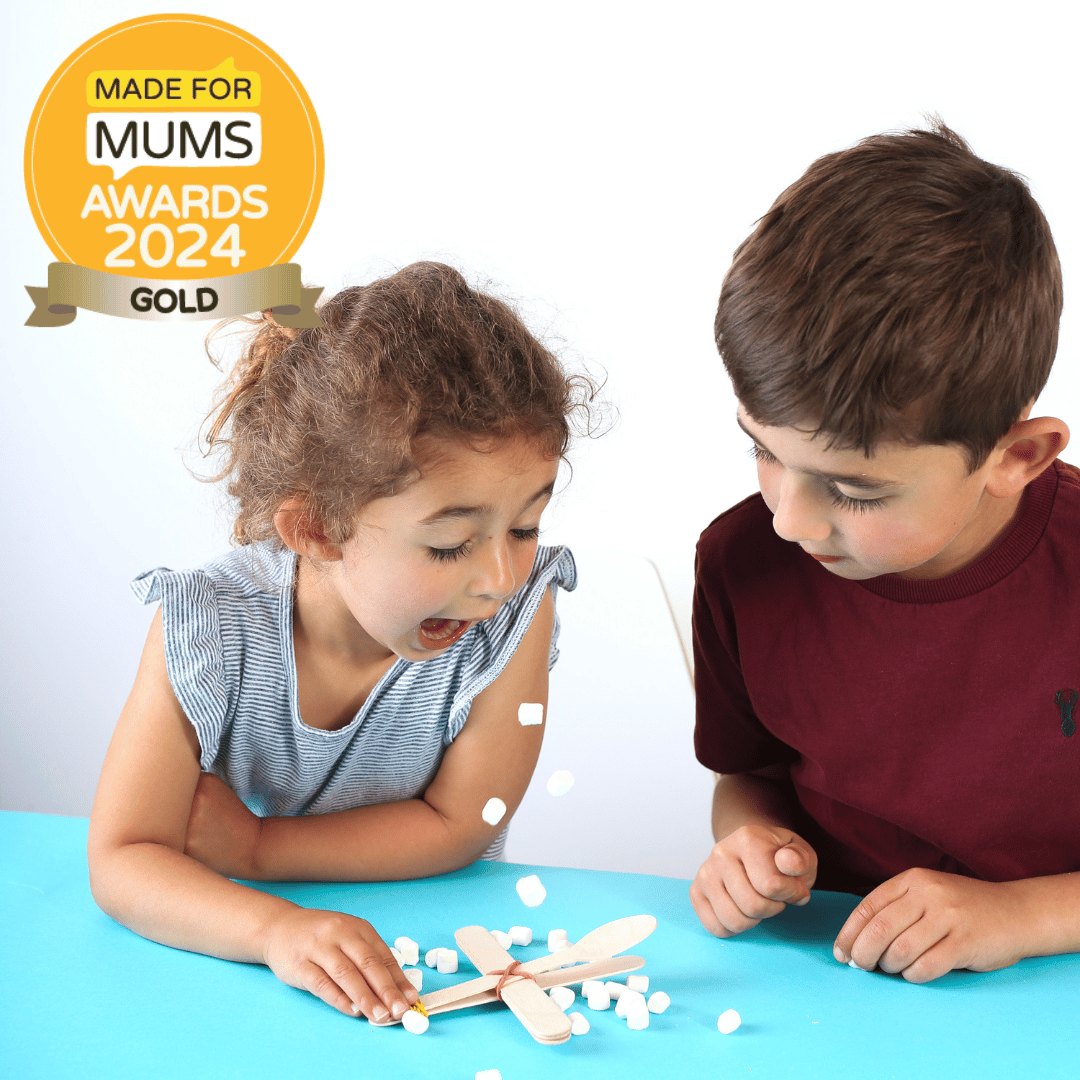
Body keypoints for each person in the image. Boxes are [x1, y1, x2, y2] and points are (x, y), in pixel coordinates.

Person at [88, 262, 595, 1022]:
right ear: (318, 530)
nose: (497, 577)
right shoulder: (208, 624)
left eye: (525, 528)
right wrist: (273, 928)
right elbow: (124, 859)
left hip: (436, 960)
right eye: (451, 544)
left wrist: (260, 848)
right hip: (232, 969)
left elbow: (467, 821)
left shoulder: (516, 611)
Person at [689, 122, 1080, 983]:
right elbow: (750, 774)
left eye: (856, 491)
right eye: (762, 451)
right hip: (837, 982)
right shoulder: (739, 563)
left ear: (1017, 458)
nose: (791, 520)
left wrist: (1023, 915)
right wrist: (748, 843)